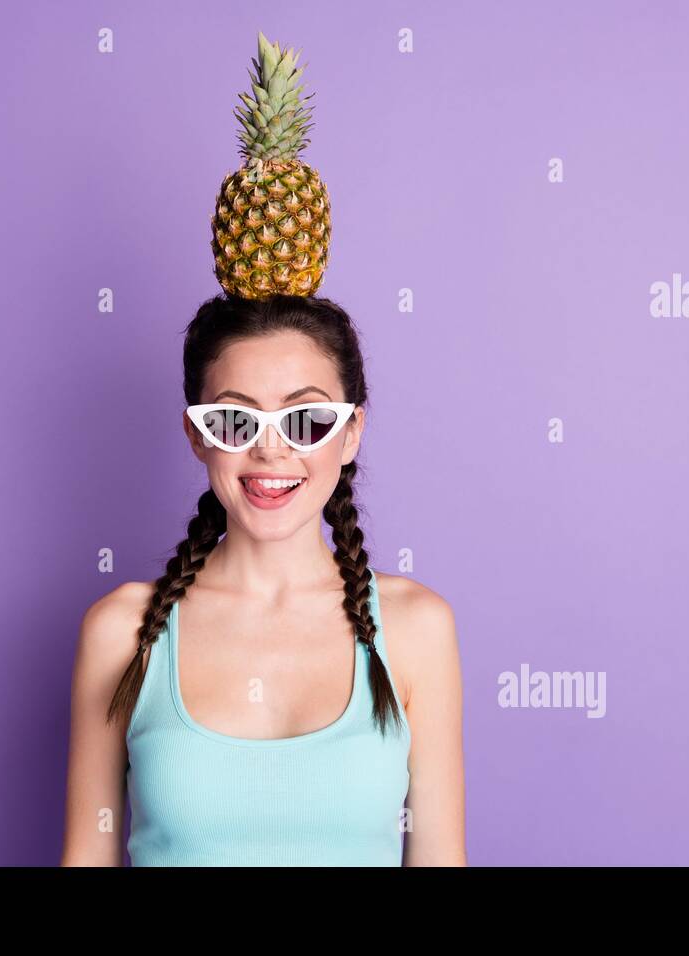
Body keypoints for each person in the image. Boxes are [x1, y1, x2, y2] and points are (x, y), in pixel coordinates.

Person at [60, 292, 466, 866]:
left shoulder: (415, 627)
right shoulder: (123, 631)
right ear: (197, 435)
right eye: (235, 420)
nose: (270, 449)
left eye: (307, 420)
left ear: (350, 434)